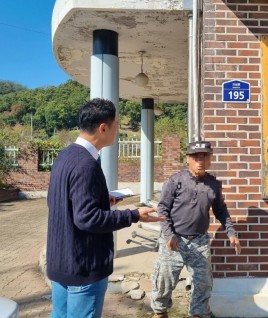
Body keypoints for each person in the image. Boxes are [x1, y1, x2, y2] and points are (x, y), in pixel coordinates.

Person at [46, 98, 164, 318]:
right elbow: (87, 219)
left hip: (61, 263)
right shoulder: (86, 164)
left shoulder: (65, 155)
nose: (117, 130)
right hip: (83, 266)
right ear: (103, 128)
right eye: (116, 125)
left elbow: (62, 200)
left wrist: (102, 199)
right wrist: (134, 214)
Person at [151, 140, 241, 318]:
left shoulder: (214, 185)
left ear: (210, 160)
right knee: (164, 279)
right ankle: (160, 312)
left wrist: (231, 232)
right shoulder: (175, 181)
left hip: (199, 241)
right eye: (195, 157)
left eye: (204, 156)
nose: (200, 160)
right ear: (188, 159)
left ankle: (198, 314)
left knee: (203, 282)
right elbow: (162, 209)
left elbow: (221, 210)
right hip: (174, 240)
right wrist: (169, 235)